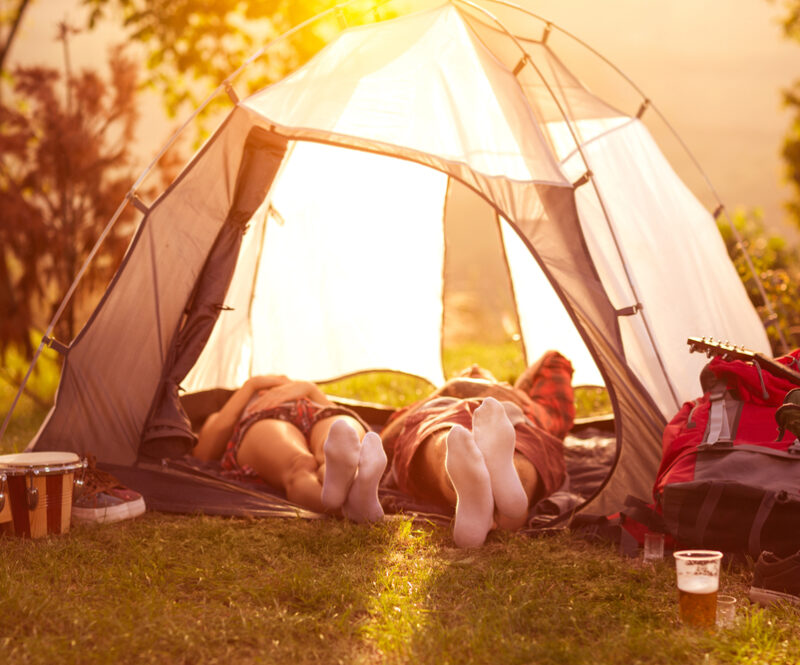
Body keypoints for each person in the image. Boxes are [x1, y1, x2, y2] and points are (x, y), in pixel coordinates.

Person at [380, 351, 575, 547]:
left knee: (515, 444)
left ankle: (480, 502)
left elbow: (553, 359)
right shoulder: (440, 398)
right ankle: (509, 508)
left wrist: (514, 391)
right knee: (451, 438)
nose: (474, 367)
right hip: (444, 410)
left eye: (480, 373)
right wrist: (453, 388)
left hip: (517, 420)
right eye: (468, 374)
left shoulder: (524, 403)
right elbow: (386, 442)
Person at [192, 375, 387, 522]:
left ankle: (352, 490)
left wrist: (309, 389)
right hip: (261, 419)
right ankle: (350, 507)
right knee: (300, 464)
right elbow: (204, 453)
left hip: (314, 412)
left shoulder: (303, 390)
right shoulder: (237, 403)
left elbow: (341, 432)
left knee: (340, 435)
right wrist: (250, 386)